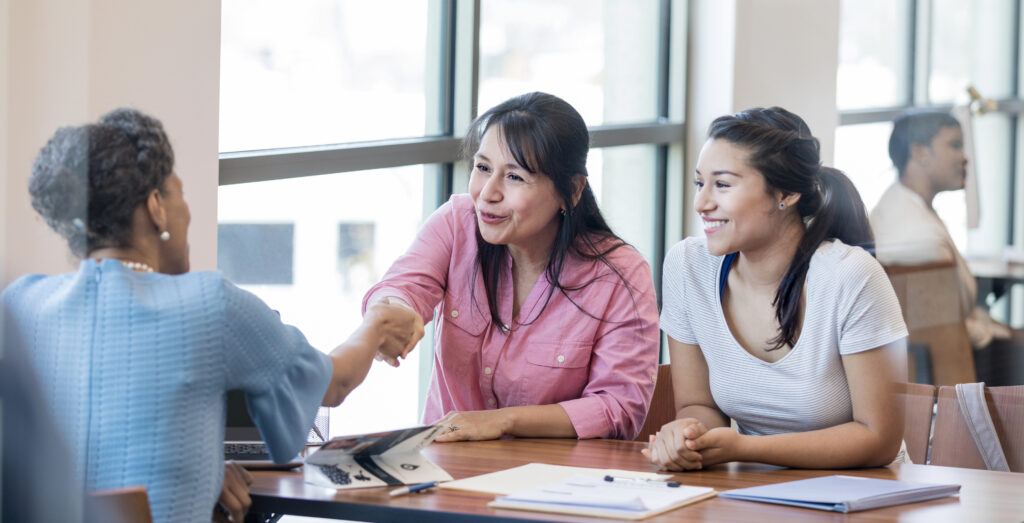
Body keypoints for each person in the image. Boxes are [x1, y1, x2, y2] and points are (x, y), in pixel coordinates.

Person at [2, 108, 423, 523]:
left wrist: (202, 468)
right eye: (180, 192)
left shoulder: (19, 303)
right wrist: (377, 325)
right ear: (156, 207)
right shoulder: (209, 303)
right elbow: (334, 383)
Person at [361, 92, 660, 442]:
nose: (488, 192)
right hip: (447, 471)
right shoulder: (458, 223)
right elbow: (403, 288)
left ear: (573, 190)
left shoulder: (619, 274)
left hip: (557, 481)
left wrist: (504, 421)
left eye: (515, 177)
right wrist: (392, 314)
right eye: (483, 168)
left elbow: (619, 408)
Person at [647, 107, 908, 471]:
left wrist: (744, 448)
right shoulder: (687, 266)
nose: (701, 203)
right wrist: (689, 436)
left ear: (785, 192)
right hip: (752, 493)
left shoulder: (850, 276)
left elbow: (878, 438)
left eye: (722, 184)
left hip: (864, 494)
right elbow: (699, 405)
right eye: (699, 183)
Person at [870, 110, 1023, 382]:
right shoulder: (919, 237)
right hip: (956, 370)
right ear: (920, 152)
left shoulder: (899, 208)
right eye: (954, 145)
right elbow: (944, 332)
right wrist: (1009, 334)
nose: (965, 157)